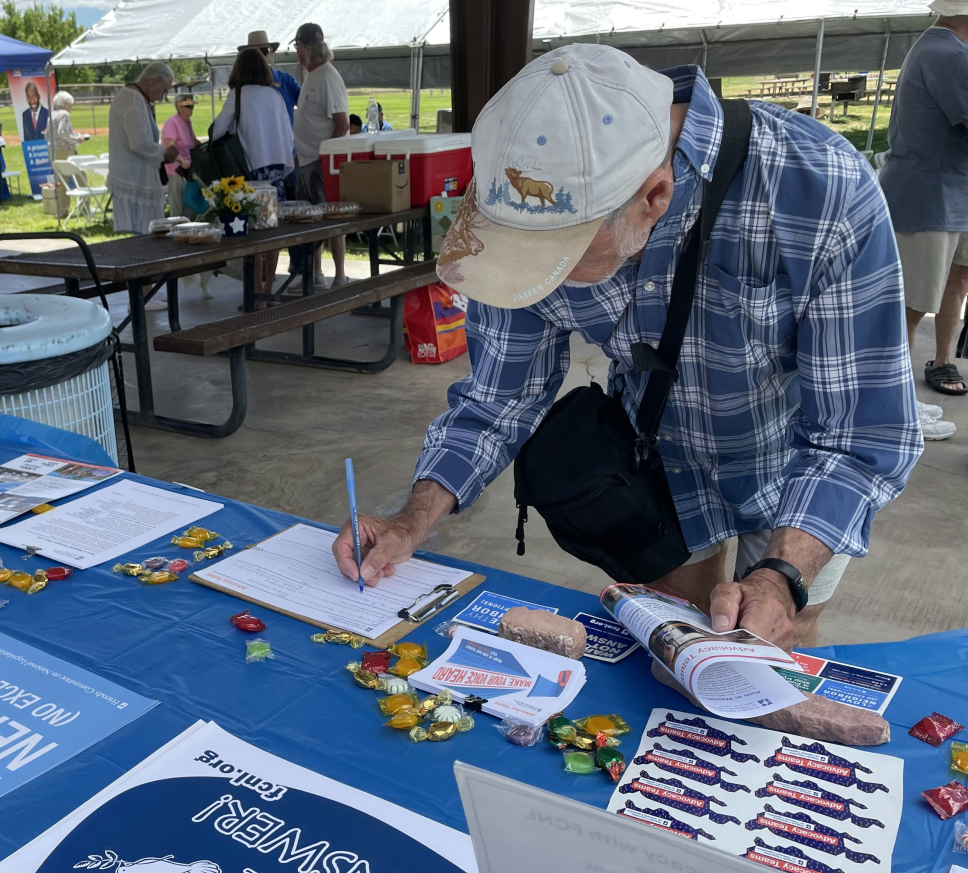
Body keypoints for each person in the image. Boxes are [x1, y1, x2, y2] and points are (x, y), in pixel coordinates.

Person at [332, 45, 922, 652]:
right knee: (676, 638)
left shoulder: (820, 187)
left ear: (654, 197)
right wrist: (411, 520)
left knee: (775, 645)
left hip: (794, 468)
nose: (537, 281)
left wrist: (782, 577)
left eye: (557, 261)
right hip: (657, 462)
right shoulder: (526, 205)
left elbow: (860, 433)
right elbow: (495, 402)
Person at [879, 0, 968, 441]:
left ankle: (904, 392)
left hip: (952, 191)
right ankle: (890, 409)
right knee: (911, 305)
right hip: (929, 194)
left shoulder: (942, 46)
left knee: (950, 284)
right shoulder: (948, 54)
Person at [213, 48, 294, 296]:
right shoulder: (274, 95)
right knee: (270, 231)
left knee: (254, 236)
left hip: (251, 171)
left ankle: (256, 292)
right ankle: (268, 288)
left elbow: (216, 131)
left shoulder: (237, 95)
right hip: (277, 169)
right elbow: (289, 137)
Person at [293, 22, 350, 289]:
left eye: (297, 46)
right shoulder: (311, 75)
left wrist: (329, 158)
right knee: (312, 219)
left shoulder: (326, 76)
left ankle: (340, 274)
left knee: (330, 217)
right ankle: (315, 273)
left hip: (321, 162)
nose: (296, 51)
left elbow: (341, 122)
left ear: (304, 48)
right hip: (308, 161)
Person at [108, 61, 179, 236]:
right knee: (147, 237)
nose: (163, 95)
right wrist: (164, 153)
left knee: (146, 237)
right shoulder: (132, 99)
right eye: (165, 89)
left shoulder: (135, 97)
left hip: (137, 176)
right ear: (155, 81)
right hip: (135, 178)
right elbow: (138, 143)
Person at [162, 93, 200, 216]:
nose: (191, 109)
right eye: (188, 106)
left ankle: (187, 225)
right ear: (179, 108)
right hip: (176, 168)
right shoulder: (172, 122)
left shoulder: (187, 122)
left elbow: (193, 141)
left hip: (188, 167)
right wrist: (181, 160)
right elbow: (169, 146)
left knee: (187, 200)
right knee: (177, 201)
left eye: (192, 106)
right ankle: (176, 227)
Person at [49, 90, 88, 161]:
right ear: (63, 104)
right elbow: (61, 133)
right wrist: (76, 140)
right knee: (79, 171)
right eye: (69, 104)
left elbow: (47, 136)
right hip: (65, 151)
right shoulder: (64, 114)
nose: (71, 107)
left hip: (52, 151)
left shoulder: (52, 115)